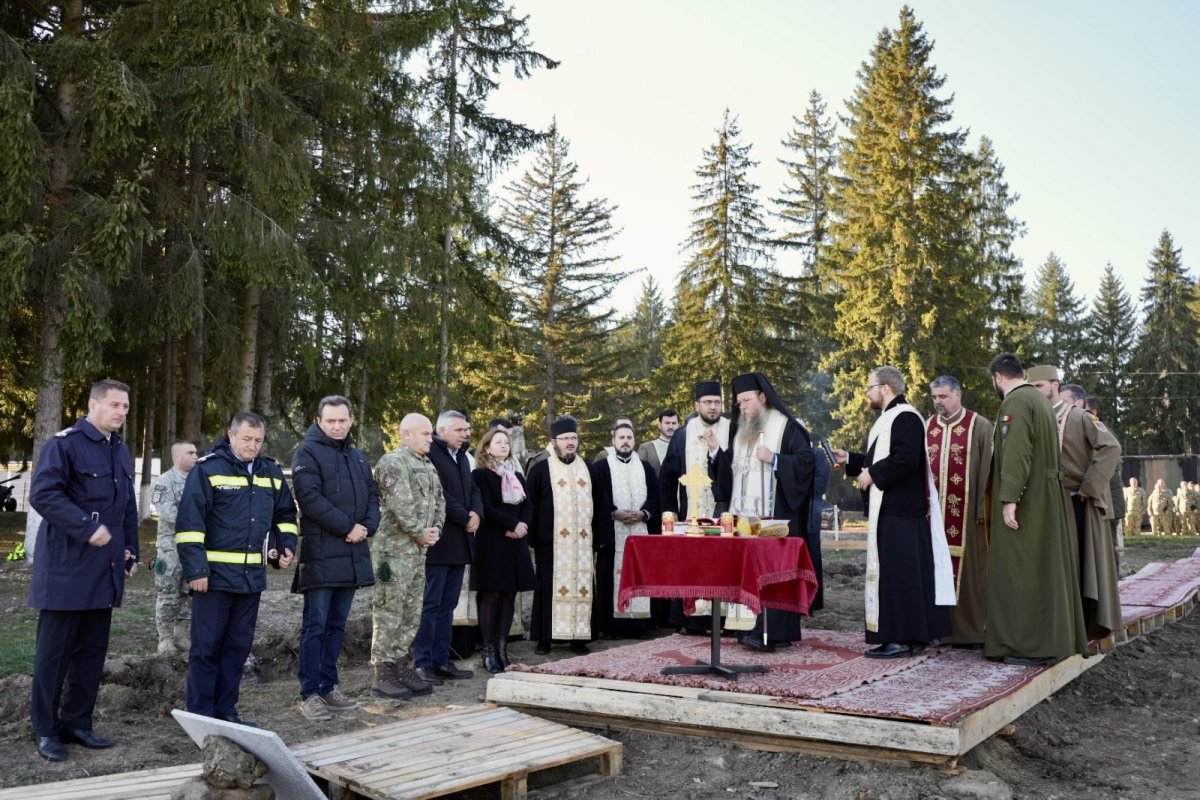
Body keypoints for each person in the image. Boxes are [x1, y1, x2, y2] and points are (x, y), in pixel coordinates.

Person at [28, 379, 139, 761]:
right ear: (93, 405)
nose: (121, 412)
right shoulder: (65, 444)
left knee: (91, 652)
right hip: (65, 566)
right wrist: (86, 527)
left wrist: (130, 551)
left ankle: (77, 723)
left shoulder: (120, 451)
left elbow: (126, 508)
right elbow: (43, 494)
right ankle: (45, 730)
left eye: (125, 406)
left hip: (103, 566)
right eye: (114, 405)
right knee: (53, 656)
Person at [176, 411, 298, 725]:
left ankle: (226, 712)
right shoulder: (208, 469)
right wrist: (196, 571)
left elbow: (285, 514)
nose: (252, 445)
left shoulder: (270, 471)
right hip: (213, 580)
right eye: (246, 439)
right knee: (206, 650)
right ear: (231, 435)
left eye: (258, 440)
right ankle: (202, 717)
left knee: (236, 649)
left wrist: (285, 547)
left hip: (251, 580)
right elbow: (190, 524)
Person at [832, 367, 952, 658]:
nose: (867, 393)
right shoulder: (890, 419)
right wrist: (850, 460)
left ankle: (899, 638)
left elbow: (906, 458)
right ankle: (909, 636)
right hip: (896, 511)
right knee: (902, 575)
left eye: (870, 387)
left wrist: (873, 473)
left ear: (885, 388)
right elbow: (883, 459)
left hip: (901, 513)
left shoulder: (906, 416)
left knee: (898, 577)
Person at [983, 353, 1087, 665]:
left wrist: (1009, 498)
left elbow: (1017, 451)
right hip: (1045, 495)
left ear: (999, 377)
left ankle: (1027, 645)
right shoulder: (1039, 400)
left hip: (1029, 500)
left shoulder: (1015, 403)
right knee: (1044, 570)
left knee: (1021, 569)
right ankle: (1048, 640)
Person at [714, 372, 819, 651]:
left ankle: (774, 631)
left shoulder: (787, 427)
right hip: (743, 517)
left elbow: (806, 463)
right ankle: (745, 628)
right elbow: (732, 472)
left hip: (773, 517)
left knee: (771, 572)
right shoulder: (740, 430)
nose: (743, 407)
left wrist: (774, 459)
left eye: (747, 400)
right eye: (739, 403)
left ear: (763, 398)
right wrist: (716, 454)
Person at [291, 396, 380, 721]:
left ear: (351, 420)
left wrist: (368, 526)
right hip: (321, 553)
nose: (338, 426)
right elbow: (309, 499)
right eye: (331, 421)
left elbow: (372, 495)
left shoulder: (357, 457)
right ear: (319, 421)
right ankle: (309, 693)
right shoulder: (307, 453)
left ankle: (329, 686)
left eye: (343, 420)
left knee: (337, 625)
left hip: (353, 553)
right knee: (315, 626)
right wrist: (348, 527)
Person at [1028, 366, 1122, 641]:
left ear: (1055, 385)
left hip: (1075, 502)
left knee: (1079, 566)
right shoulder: (1033, 418)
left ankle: (1080, 624)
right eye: (1031, 387)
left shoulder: (1080, 416)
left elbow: (1111, 447)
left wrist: (1090, 486)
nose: (1036, 392)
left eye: (1040, 386)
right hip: (1045, 504)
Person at [369, 414, 442, 699]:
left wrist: (435, 529)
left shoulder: (427, 464)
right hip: (394, 552)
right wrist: (418, 531)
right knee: (390, 611)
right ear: (405, 435)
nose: (430, 438)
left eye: (430, 434)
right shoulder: (394, 461)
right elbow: (401, 505)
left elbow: (440, 501)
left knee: (411, 612)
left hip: (417, 551)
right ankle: (381, 672)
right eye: (424, 434)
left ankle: (400, 665)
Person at [925, 375, 993, 645]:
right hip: (933, 518)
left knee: (970, 576)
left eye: (943, 396)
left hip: (969, 519)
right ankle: (938, 630)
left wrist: (982, 511)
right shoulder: (927, 427)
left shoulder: (980, 426)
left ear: (958, 395)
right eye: (934, 397)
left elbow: (989, 472)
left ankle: (971, 632)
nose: (938, 402)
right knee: (935, 572)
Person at [659, 382, 730, 634]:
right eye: (708, 402)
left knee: (723, 566)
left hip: (724, 515)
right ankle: (691, 620)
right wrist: (670, 513)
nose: (713, 407)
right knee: (692, 565)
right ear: (696, 405)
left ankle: (724, 621)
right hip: (691, 515)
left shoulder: (733, 430)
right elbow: (667, 477)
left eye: (717, 402)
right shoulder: (682, 435)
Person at [419, 410, 482, 684]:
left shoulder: (462, 457)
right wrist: (465, 516)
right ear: (441, 430)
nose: (466, 434)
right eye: (460, 430)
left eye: (467, 429)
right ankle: (422, 663)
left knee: (449, 605)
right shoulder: (431, 454)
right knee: (431, 605)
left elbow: (473, 490)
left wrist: (477, 513)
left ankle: (441, 660)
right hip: (439, 543)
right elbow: (439, 494)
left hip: (460, 542)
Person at [527, 416, 596, 655]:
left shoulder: (588, 468)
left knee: (582, 587)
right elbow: (531, 506)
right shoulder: (540, 470)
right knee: (547, 589)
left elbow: (600, 502)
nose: (570, 443)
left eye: (573, 438)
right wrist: (533, 539)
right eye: (565, 438)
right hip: (551, 543)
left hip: (583, 545)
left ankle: (579, 637)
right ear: (553, 442)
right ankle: (545, 639)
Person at [471, 427, 536, 673]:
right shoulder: (479, 476)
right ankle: (488, 652)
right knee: (492, 595)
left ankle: (502, 649)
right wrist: (512, 524)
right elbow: (485, 507)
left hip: (515, 543)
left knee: (510, 596)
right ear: (486, 447)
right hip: (492, 542)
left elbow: (528, 505)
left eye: (506, 443)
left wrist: (523, 526)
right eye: (498, 442)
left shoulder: (516, 476)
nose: (503, 446)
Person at [592, 421, 661, 640]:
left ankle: (641, 624)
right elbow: (597, 498)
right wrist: (614, 512)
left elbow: (655, 497)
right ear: (613, 441)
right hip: (614, 532)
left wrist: (643, 513)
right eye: (621, 438)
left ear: (634, 441)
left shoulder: (645, 467)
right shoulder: (602, 467)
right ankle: (611, 626)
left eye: (629, 438)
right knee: (610, 576)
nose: (625, 441)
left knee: (641, 573)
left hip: (640, 530)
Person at [152, 440, 199, 656]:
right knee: (167, 592)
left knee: (188, 592)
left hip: (193, 548)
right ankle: (165, 639)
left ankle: (181, 635)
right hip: (170, 549)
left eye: (196, 452)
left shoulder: (198, 480)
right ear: (177, 456)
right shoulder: (164, 481)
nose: (195, 456)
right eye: (190, 452)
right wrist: (196, 522)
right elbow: (168, 513)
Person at [637, 410, 679, 479]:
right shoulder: (646, 448)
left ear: (678, 425)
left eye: (674, 423)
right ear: (659, 425)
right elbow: (639, 476)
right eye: (667, 423)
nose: (671, 426)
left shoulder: (685, 447)